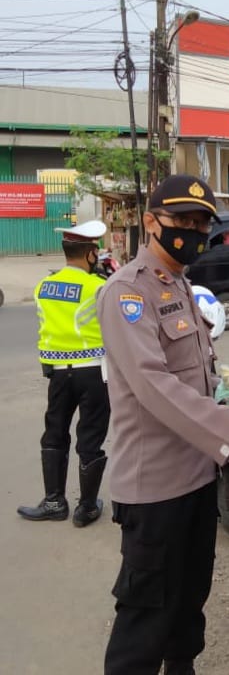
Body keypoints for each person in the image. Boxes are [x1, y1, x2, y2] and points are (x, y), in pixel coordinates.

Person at [97, 174, 229, 675]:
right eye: (181, 221)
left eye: (201, 223)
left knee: (188, 606)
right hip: (155, 487)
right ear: (150, 222)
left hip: (198, 476)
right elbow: (154, 386)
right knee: (145, 618)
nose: (192, 231)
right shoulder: (127, 294)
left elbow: (198, 379)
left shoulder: (182, 284)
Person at [17, 219, 111, 527]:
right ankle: (86, 509)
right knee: (90, 437)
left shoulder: (43, 287)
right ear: (90, 254)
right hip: (94, 374)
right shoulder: (99, 287)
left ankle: (54, 502)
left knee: (55, 433)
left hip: (57, 374)